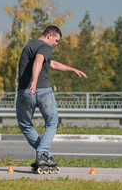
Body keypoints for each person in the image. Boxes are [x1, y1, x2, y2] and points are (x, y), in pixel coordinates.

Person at [16, 25, 87, 168]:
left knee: (24, 124)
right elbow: (38, 60)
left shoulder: (30, 46)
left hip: (24, 92)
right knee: (52, 122)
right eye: (56, 40)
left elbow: (51, 64)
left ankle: (42, 154)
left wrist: (71, 69)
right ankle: (43, 154)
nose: (56, 44)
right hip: (42, 90)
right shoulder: (45, 47)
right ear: (49, 36)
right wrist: (35, 81)